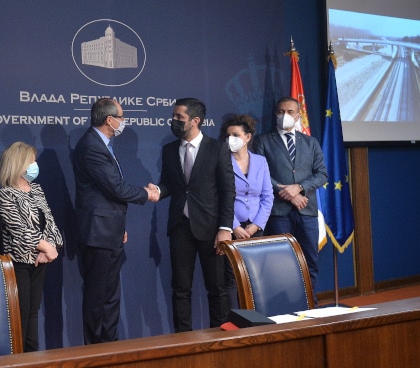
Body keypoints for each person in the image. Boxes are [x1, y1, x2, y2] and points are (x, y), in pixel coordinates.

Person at [73, 98, 159, 344]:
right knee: (98, 297)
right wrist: (146, 193)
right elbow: (116, 188)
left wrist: (118, 227)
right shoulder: (91, 146)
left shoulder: (103, 144)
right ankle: (95, 352)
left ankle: (110, 349)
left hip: (108, 230)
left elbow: (108, 193)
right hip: (97, 232)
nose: (123, 121)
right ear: (109, 120)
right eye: (121, 117)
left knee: (110, 297)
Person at [152, 98, 235, 332]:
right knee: (180, 288)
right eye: (174, 116)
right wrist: (158, 190)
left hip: (211, 229)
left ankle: (219, 340)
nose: (174, 121)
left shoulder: (217, 148)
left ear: (195, 121)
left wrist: (225, 228)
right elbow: (169, 184)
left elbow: (228, 190)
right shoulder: (169, 149)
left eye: (180, 117)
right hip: (180, 227)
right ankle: (183, 340)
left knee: (217, 288)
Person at [251, 96, 328, 299]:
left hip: (307, 211)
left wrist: (300, 187)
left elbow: (322, 174)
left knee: (309, 261)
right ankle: (284, 308)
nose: (285, 116)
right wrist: (289, 194)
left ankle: (310, 306)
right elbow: (261, 174)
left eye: (290, 112)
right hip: (278, 212)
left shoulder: (311, 143)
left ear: (298, 114)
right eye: (280, 112)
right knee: (280, 264)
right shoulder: (263, 141)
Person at [0, 141, 63, 352]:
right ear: (19, 164)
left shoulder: (36, 189)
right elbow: (20, 230)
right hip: (19, 262)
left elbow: (50, 221)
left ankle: (32, 356)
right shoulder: (5, 195)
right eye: (31, 161)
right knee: (21, 312)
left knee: (33, 311)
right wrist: (46, 247)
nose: (35, 165)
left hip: (39, 260)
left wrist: (50, 249)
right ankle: (19, 358)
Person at [219, 114, 273, 309]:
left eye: (235, 134)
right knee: (232, 278)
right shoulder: (222, 161)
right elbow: (220, 197)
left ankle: (257, 318)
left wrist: (256, 226)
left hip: (255, 228)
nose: (230, 139)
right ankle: (236, 321)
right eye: (228, 135)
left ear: (248, 137)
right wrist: (234, 226)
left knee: (257, 277)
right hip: (232, 227)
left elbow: (267, 196)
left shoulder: (261, 162)